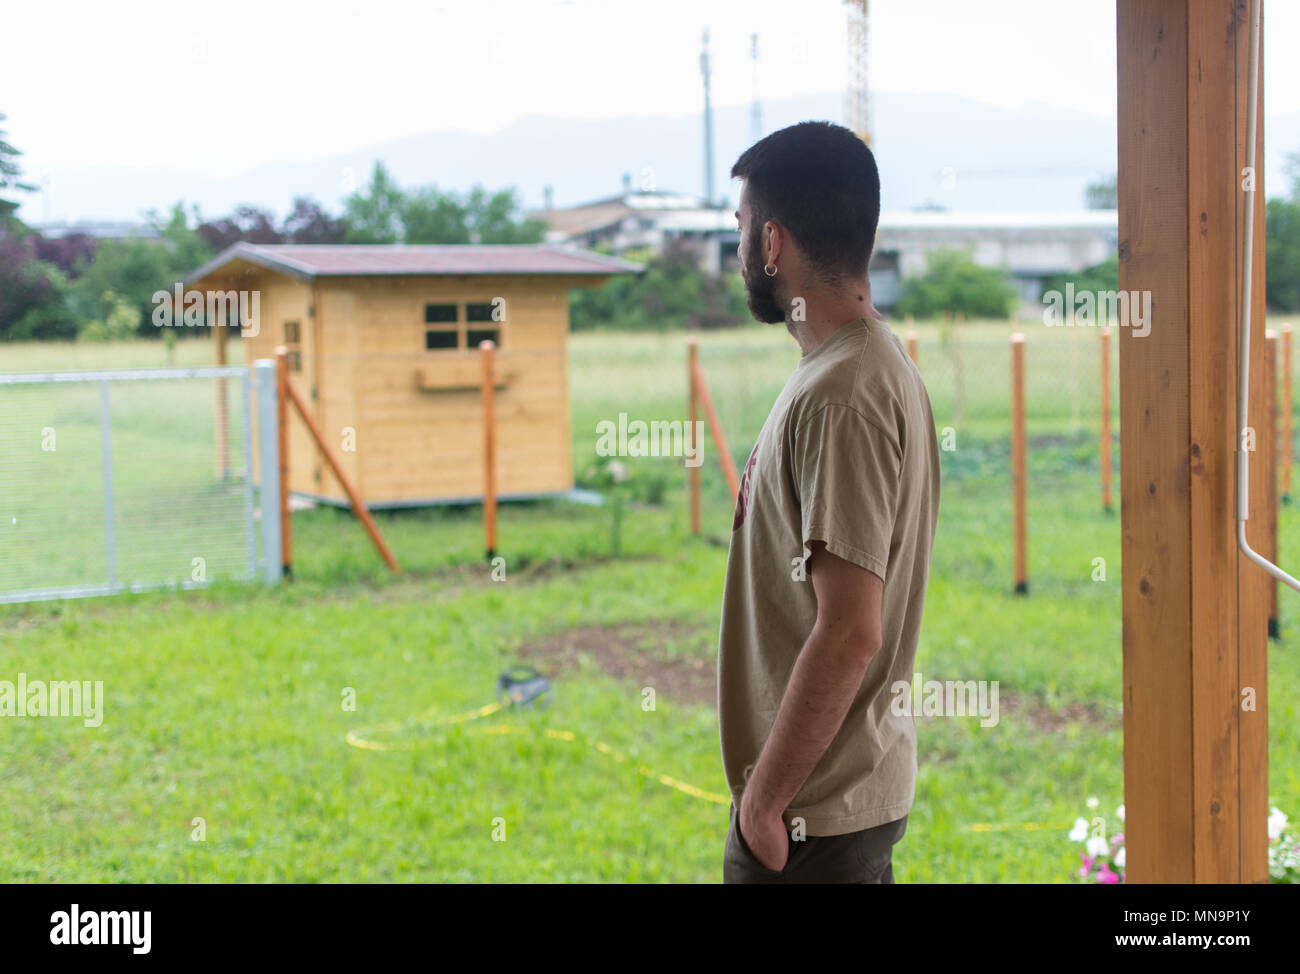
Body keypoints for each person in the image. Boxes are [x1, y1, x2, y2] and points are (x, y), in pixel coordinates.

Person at [718, 120, 941, 884]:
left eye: (743, 228)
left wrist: (763, 808)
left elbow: (851, 631)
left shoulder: (846, 391)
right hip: (819, 816)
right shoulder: (848, 369)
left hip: (811, 825)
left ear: (773, 244)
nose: (740, 248)